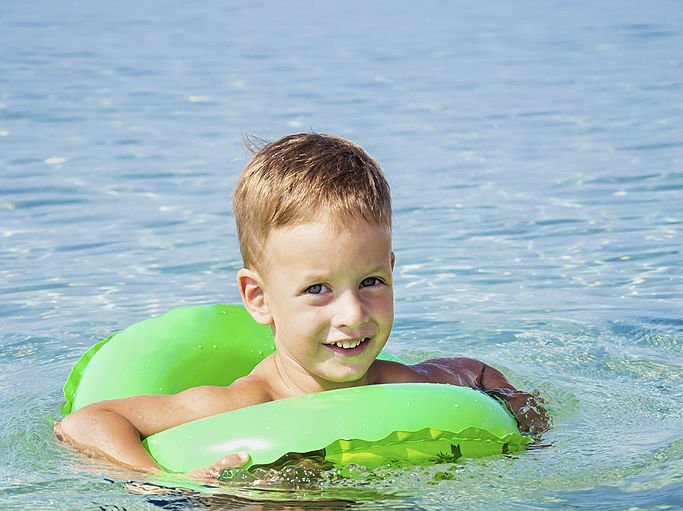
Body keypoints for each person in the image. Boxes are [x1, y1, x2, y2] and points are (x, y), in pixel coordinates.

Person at [55, 133, 548, 481]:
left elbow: (473, 372)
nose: (353, 314)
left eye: (370, 281)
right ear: (259, 298)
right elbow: (85, 423)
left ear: (392, 269)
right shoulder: (245, 402)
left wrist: (518, 406)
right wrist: (161, 480)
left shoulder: (402, 385)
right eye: (318, 290)